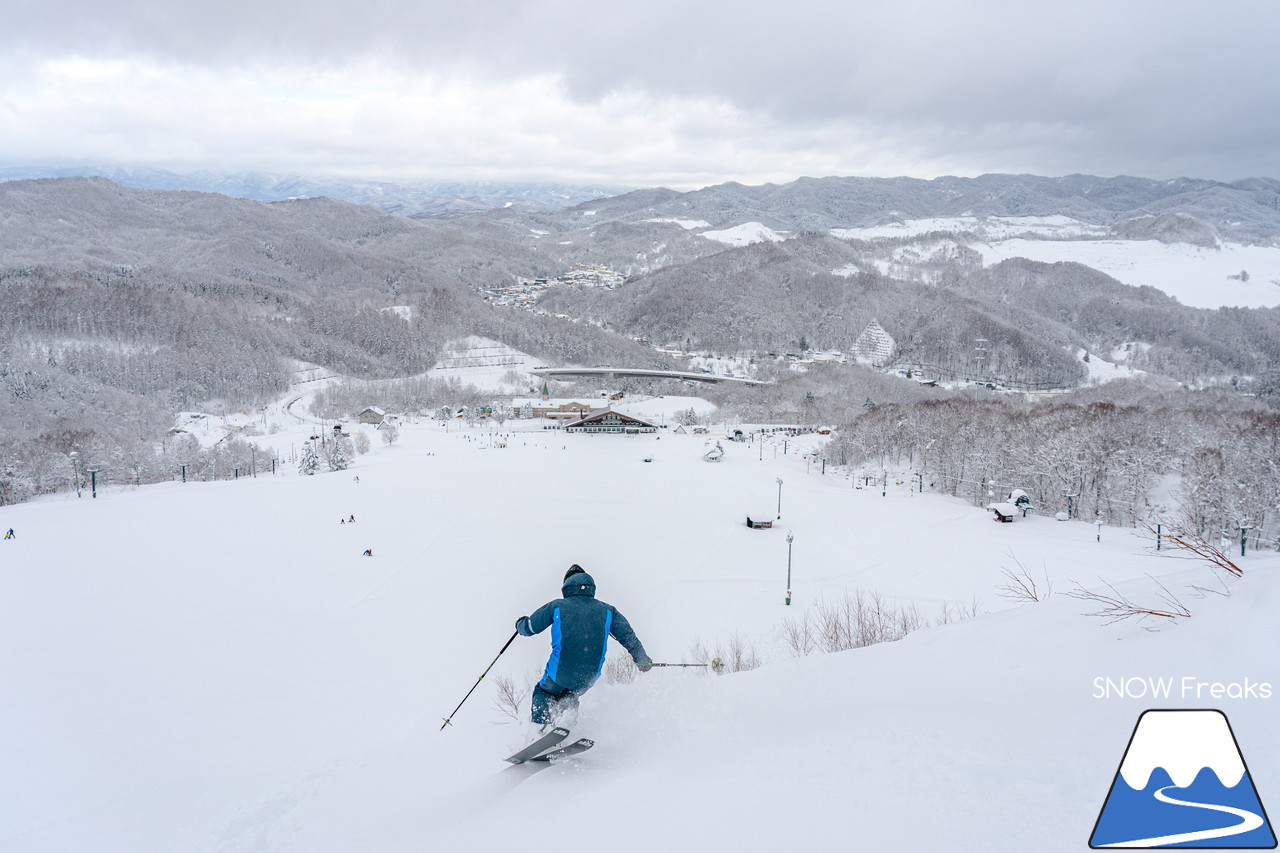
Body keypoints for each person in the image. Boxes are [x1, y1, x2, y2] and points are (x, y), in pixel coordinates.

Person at [515, 565, 652, 726]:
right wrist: (642, 660)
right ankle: (566, 727)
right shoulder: (608, 611)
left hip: (560, 672)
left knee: (544, 692)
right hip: (588, 677)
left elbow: (530, 628)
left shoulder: (557, 606)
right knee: (570, 695)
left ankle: (538, 732)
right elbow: (629, 637)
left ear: (566, 585)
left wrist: (520, 624)